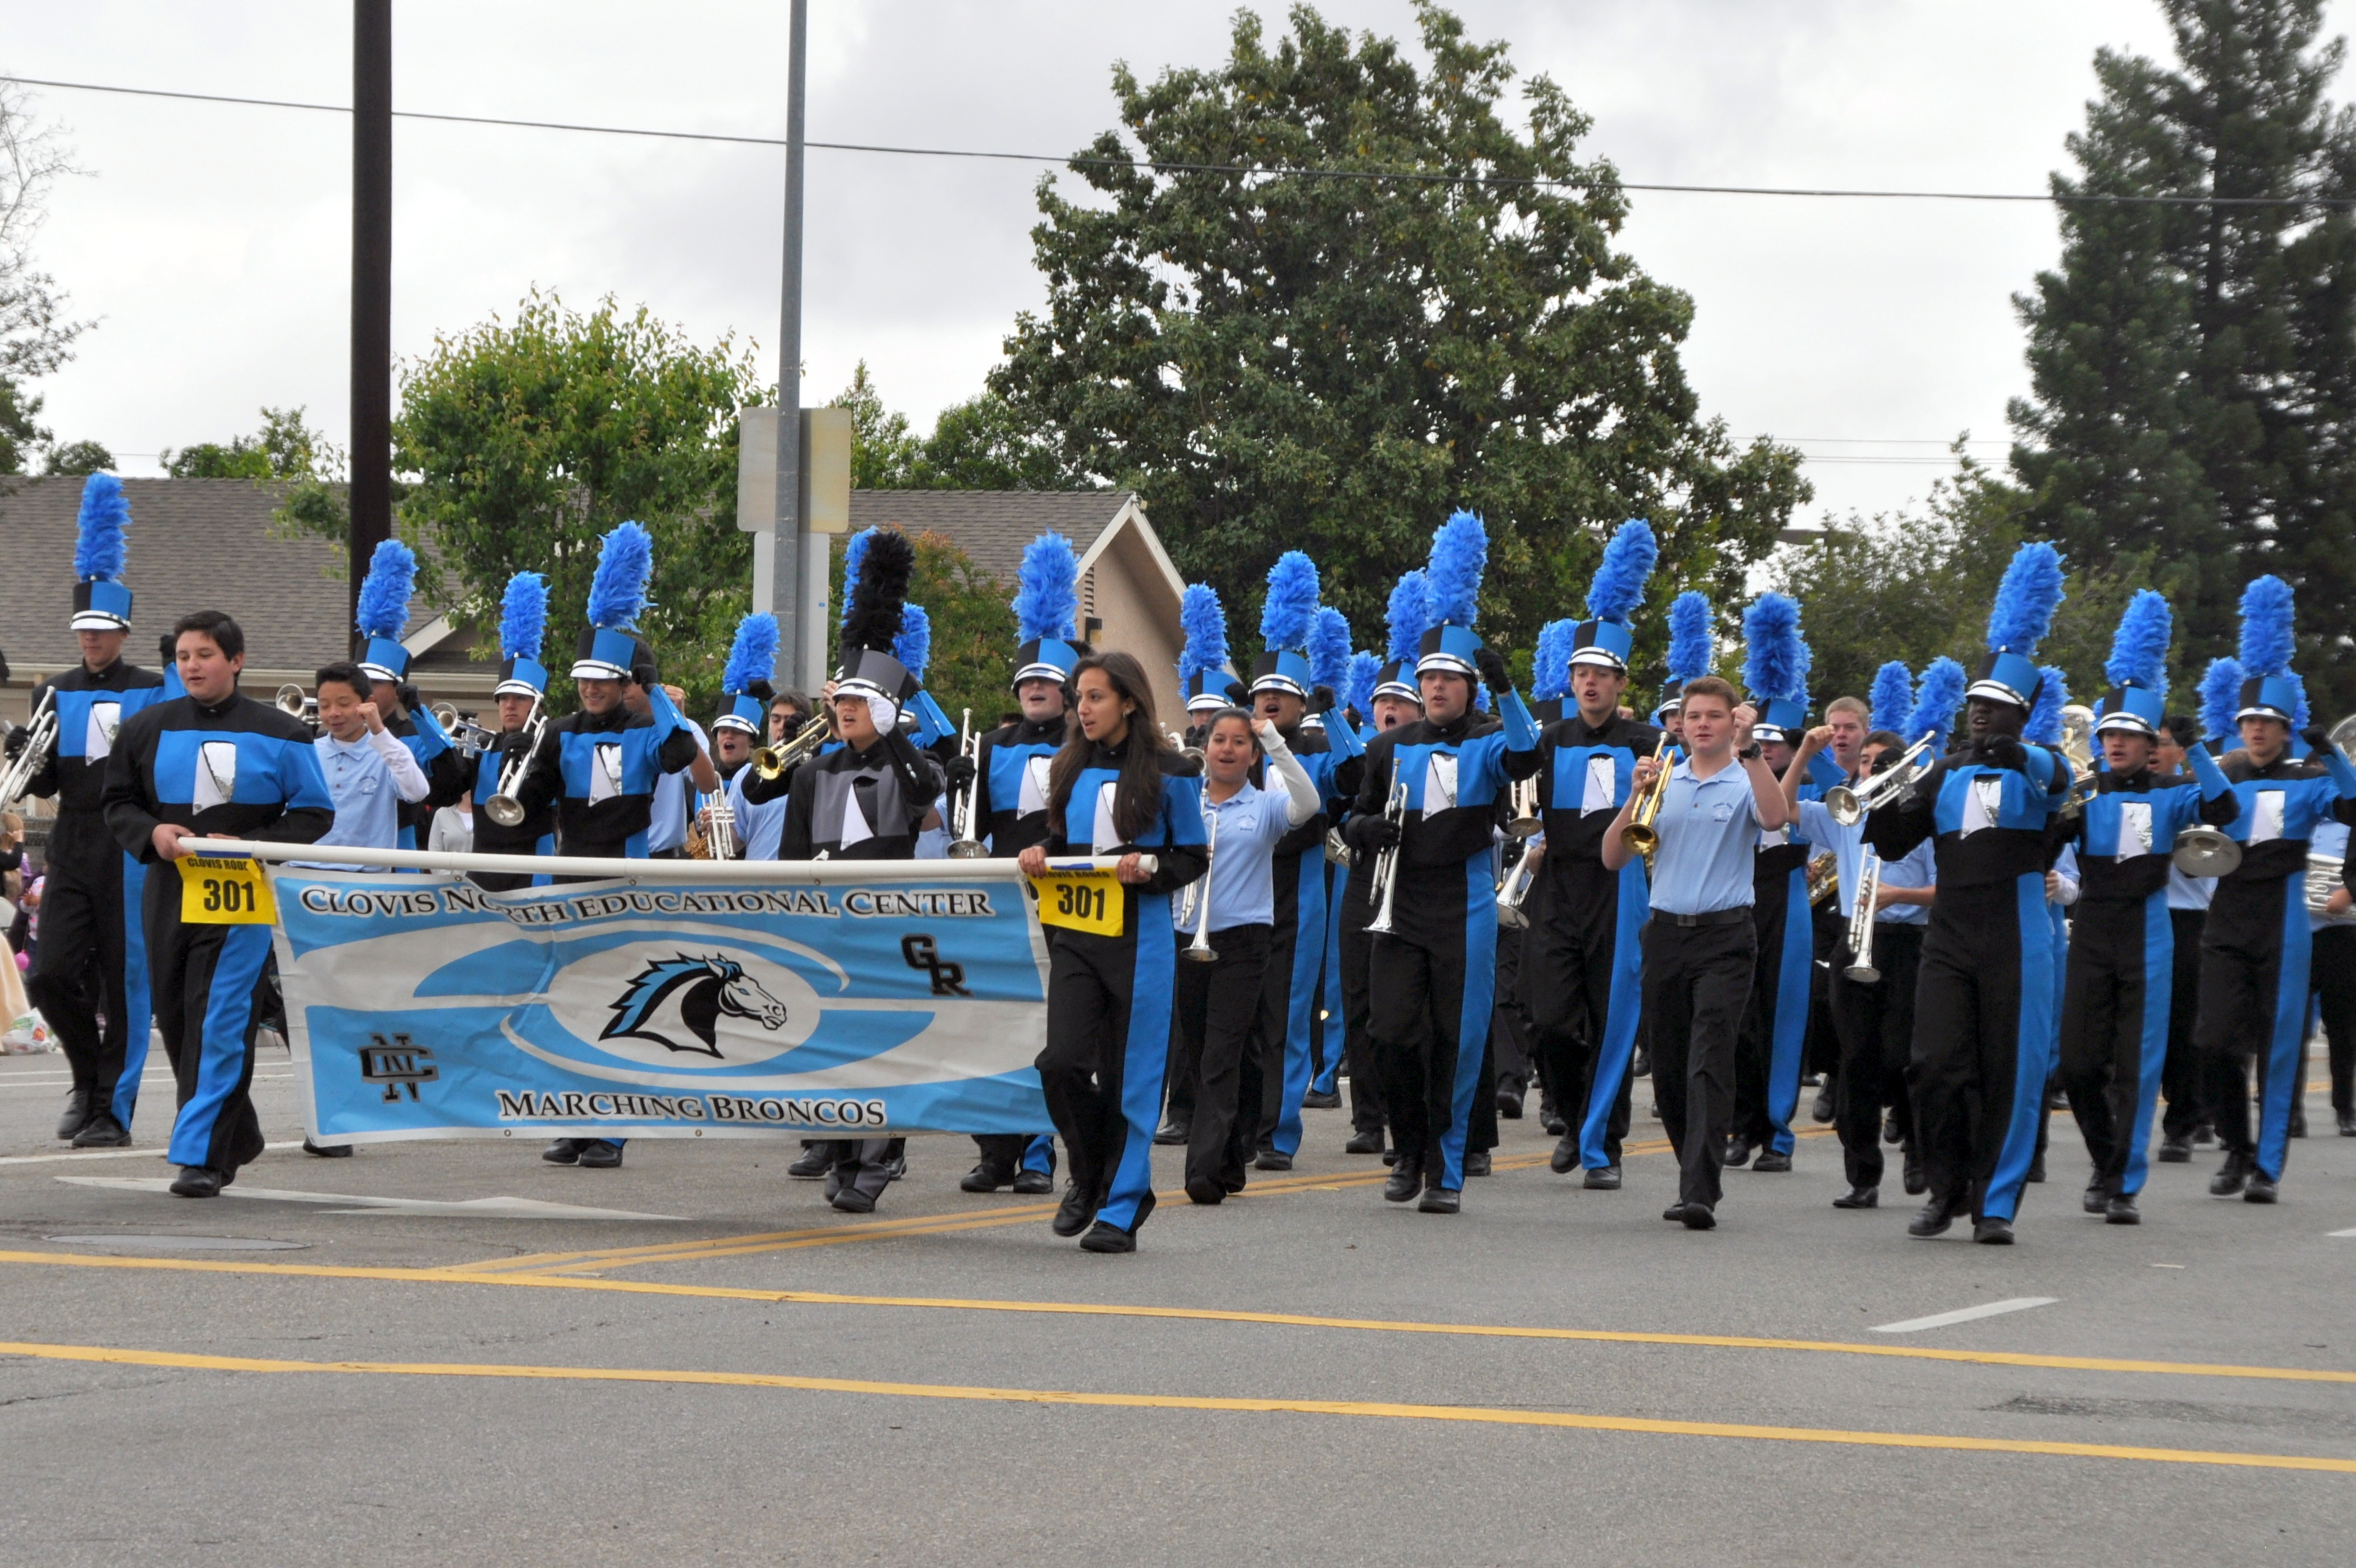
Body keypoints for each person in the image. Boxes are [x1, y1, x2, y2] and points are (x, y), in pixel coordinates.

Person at [1865, 543, 2072, 1243]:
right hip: (1950, 931)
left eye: (1994, 706)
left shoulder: (2040, 766)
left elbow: (2058, 782)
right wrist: (1876, 803)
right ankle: (1945, 1187)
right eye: (1976, 703)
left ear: (2020, 715)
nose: (1979, 713)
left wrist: (2018, 752)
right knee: (1933, 1064)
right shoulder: (1946, 771)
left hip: (2016, 930)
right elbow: (1894, 842)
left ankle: (1997, 1203)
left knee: (2010, 1068)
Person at [102, 610, 333, 1197]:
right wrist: (151, 833)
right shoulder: (145, 727)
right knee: (180, 1020)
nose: (192, 666)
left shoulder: (283, 731)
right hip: (169, 888)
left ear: (236, 660)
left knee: (220, 1019)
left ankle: (202, 1154)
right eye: (184, 656)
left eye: (204, 654)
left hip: (240, 895)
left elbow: (314, 812)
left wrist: (256, 844)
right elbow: (118, 802)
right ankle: (237, 1132)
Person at [1348, 511, 1540, 1215]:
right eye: (1428, 678)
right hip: (1400, 906)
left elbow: (1527, 755)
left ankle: (1446, 1169)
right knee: (1392, 1034)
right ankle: (1407, 1148)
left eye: (1449, 680)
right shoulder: (1387, 748)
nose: (1435, 689)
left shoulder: (1489, 739)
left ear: (1469, 688)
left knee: (1457, 1041)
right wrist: (1368, 828)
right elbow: (1352, 817)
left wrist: (1508, 688)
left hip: (1463, 906)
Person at [511, 523, 699, 1171]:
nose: (590, 691)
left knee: (623, 998)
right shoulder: (561, 730)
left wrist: (659, 691)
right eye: (584, 682)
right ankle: (575, 1118)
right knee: (572, 997)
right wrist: (521, 766)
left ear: (624, 682)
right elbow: (531, 798)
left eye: (603, 682)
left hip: (628, 873)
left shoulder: (647, 729)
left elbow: (682, 753)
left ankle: (613, 1128)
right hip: (571, 873)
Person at [2051, 593, 2238, 1223]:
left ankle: (2123, 1184)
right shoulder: (2083, 793)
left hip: (2147, 931)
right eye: (2107, 734)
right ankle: (2105, 1159)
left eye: (2126, 735)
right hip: (2092, 929)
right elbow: (2041, 848)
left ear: (2148, 742)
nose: (2113, 743)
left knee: (2136, 1066)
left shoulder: (2171, 792)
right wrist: (2056, 817)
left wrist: (2199, 748)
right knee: (2078, 1064)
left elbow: (2225, 809)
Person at [1016, 650, 1207, 1253]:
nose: (1083, 707)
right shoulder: (1068, 764)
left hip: (1140, 939)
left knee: (1132, 1080)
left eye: (1095, 696)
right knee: (1060, 1062)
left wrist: (1147, 870)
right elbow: (1060, 841)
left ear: (1128, 701)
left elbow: (1192, 856)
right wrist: (1038, 855)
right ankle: (1089, 1172)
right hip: (1076, 937)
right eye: (1079, 697)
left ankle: (1122, 1206)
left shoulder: (1173, 770)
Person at [780, 532, 944, 1213]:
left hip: (884, 920)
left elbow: (925, 794)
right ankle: (841, 1153)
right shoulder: (813, 771)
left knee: (882, 1042)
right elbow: (791, 856)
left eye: (861, 703)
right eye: (842, 701)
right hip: (827, 922)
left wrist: (895, 728)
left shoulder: (910, 765)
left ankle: (875, 1165)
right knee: (833, 1041)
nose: (846, 710)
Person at [14, 475, 169, 1147]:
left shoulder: (152, 688)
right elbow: (45, 777)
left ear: (122, 631)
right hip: (73, 841)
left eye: (102, 631)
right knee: (50, 973)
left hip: (129, 845)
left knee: (127, 981)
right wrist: (25, 753)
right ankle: (87, 1077)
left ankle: (113, 1109)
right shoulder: (53, 691)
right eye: (83, 631)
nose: (91, 641)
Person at [2192, 576, 2356, 1203]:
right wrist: (2193, 748)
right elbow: (2207, 807)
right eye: (2248, 721)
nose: (2255, 730)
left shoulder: (2308, 778)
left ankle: (2266, 1166)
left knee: (2279, 1045)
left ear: (2285, 729)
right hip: (2227, 914)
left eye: (2266, 722)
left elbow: (2351, 807)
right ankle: (2235, 1146)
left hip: (2283, 917)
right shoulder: (2229, 772)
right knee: (2212, 1040)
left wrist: (2334, 756)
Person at [1602, 676, 1786, 1228]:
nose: (1702, 724)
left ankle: (1700, 1189)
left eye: (1714, 715)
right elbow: (1612, 857)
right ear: (1680, 724)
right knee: (1669, 1068)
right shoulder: (1666, 779)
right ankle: (1692, 1173)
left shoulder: (1746, 775)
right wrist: (1634, 795)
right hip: (1665, 935)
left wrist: (1752, 752)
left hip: (1725, 937)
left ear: (1733, 722)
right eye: (1694, 715)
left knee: (1709, 1058)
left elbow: (1775, 818)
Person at [1525, 519, 1661, 1190]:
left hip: (1620, 885)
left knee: (1612, 1019)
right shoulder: (1550, 738)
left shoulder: (1648, 740)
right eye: (1581, 673)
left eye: (1601, 675)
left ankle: (1602, 1145)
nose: (1589, 683)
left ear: (1620, 682)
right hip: (1558, 885)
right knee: (1549, 1017)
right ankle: (1573, 1113)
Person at [955, 532, 1090, 1195]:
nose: (1035, 688)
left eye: (1047, 681)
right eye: (1027, 681)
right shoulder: (994, 742)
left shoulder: (1087, 746)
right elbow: (973, 829)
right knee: (992, 1021)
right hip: (1003, 894)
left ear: (1067, 692)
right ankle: (994, 1150)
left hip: (1064, 895)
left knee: (1045, 1023)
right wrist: (959, 786)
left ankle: (1040, 1152)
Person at [1169, 705, 1322, 1203]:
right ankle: (1233, 1157)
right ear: (1206, 747)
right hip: (1187, 935)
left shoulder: (1266, 806)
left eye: (1239, 742)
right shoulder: (1186, 801)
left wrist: (1274, 739)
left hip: (1244, 942)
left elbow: (1309, 802)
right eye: (1220, 740)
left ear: (1253, 756)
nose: (1228, 749)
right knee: (1202, 1052)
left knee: (1220, 1053)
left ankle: (1203, 1170)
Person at [1242, 557, 1364, 1171]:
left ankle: (1278, 1133)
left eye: (1282, 695)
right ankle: (1239, 1124)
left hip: (1299, 887)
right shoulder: (1234, 748)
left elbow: (1356, 773)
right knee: (1238, 1015)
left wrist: (1333, 713)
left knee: (1288, 1016)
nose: (1270, 701)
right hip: (1240, 889)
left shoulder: (1316, 750)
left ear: (1299, 703)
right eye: (1262, 694)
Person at [1788, 724, 1936, 1208]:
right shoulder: (1846, 811)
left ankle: (1916, 1146)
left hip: (1908, 941)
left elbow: (1947, 889)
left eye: (1884, 761)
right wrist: (1804, 753)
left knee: (1903, 1056)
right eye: (1868, 761)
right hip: (1855, 939)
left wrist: (1901, 894)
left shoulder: (1924, 819)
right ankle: (1862, 1174)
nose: (1873, 768)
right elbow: (1784, 809)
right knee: (1856, 1059)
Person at [1330, 573, 1429, 1158]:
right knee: (1359, 1000)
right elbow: (1347, 817)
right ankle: (1368, 1119)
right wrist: (1364, 827)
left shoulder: (1429, 749)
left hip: (1416, 887)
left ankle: (1403, 1116)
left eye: (1401, 701)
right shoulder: (1367, 751)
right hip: (1365, 883)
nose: (1389, 709)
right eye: (1382, 702)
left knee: (1402, 1011)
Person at [350, 540, 469, 852]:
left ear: (397, 689)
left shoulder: (413, 735)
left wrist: (420, 715)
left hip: (398, 854)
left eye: (376, 682)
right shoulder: (335, 735)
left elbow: (451, 784)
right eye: (361, 681)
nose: (366, 690)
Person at [296, 660, 432, 869]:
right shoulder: (308, 751)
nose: (333, 713)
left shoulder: (388, 751)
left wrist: (380, 732)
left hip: (366, 877)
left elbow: (417, 792)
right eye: (324, 706)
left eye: (344, 704)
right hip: (303, 871)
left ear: (368, 703)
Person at [2154, 715, 2217, 1157]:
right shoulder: (2112, 791)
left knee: (2181, 1024)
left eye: (2162, 743)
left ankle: (2183, 1120)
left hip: (2185, 917)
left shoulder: (2195, 797)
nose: (2153, 751)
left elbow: (2200, 866)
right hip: (2129, 913)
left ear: (2179, 752)